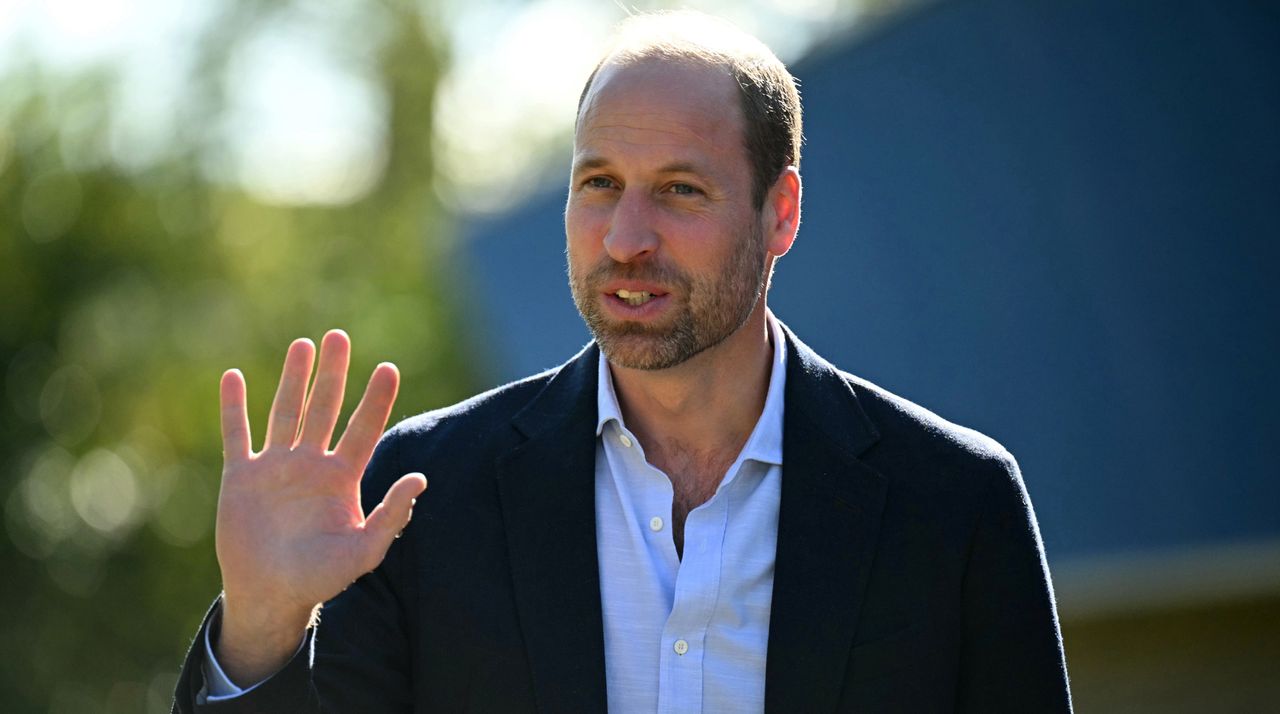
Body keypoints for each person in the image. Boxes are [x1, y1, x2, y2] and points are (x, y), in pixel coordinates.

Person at [173, 11, 1071, 713]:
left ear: (781, 214)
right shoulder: (421, 495)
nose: (627, 238)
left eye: (680, 190)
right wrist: (260, 632)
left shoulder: (954, 506)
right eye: (598, 183)